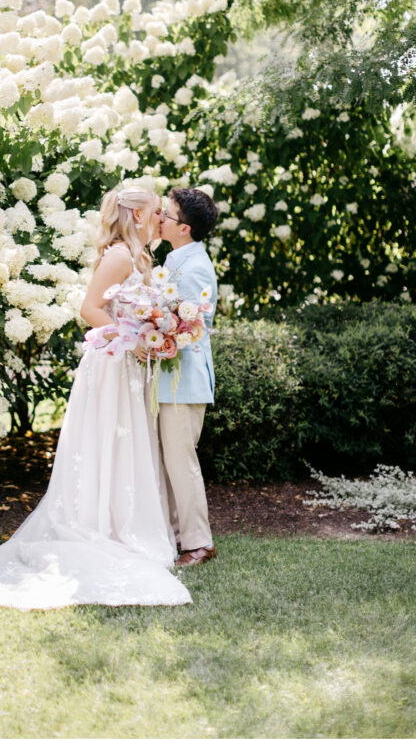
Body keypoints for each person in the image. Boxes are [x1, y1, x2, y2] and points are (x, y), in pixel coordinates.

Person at [0, 186, 191, 609]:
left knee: (126, 443)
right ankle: (98, 524)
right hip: (111, 362)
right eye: (155, 212)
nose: (160, 219)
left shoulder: (142, 258)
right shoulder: (118, 255)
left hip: (129, 365)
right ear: (136, 216)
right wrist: (131, 338)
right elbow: (90, 309)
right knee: (108, 440)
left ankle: (121, 523)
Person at [157, 188, 219, 568]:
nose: (161, 216)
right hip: (168, 381)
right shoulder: (175, 257)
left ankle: (199, 543)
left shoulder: (196, 266)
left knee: (181, 461)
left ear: (184, 228)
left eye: (168, 212)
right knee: (169, 462)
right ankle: (177, 536)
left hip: (185, 381)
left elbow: (190, 325)